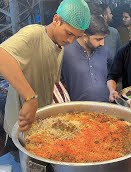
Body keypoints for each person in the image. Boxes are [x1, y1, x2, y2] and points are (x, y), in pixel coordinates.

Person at [0, 0, 90, 135]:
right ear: (56, 19)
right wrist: (30, 98)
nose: (71, 41)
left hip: (40, 122)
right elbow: (2, 56)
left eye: (76, 37)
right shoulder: (34, 34)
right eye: (69, 33)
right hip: (21, 123)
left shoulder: (60, 47)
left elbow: (51, 83)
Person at [61, 15, 111, 102]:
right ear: (84, 36)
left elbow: (112, 76)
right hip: (78, 112)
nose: (102, 43)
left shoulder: (105, 51)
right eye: (98, 39)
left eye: (103, 39)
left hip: (106, 108)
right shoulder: (65, 53)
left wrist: (112, 90)